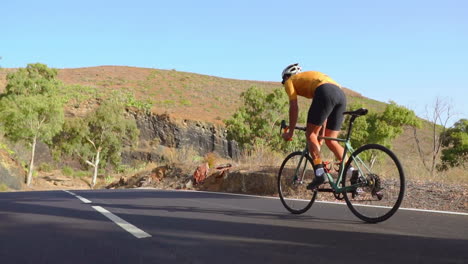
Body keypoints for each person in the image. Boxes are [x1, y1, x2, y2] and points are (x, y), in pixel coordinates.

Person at [281, 63, 348, 190]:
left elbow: (294, 107)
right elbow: (324, 115)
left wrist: (290, 132)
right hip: (340, 95)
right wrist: (321, 138)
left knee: (310, 134)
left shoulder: (291, 81)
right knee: (331, 140)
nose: (283, 83)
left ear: (288, 76)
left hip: (325, 92)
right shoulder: (311, 79)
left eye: (283, 79)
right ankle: (352, 171)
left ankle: (319, 173)